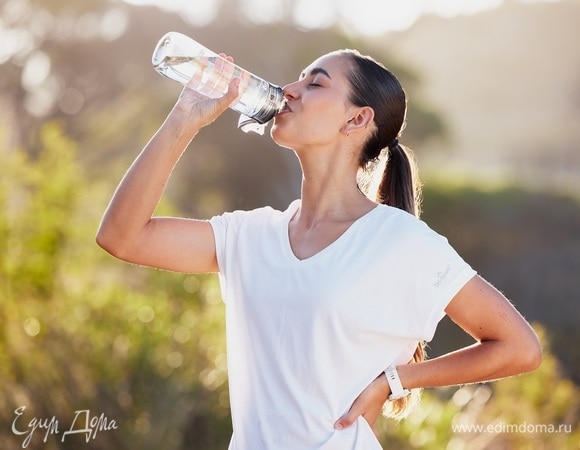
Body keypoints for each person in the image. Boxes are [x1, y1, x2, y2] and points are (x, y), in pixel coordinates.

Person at [97, 48, 542, 449]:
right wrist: (183, 118)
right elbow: (122, 236)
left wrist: (396, 380)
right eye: (298, 79)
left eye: (315, 84)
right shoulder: (251, 235)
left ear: (356, 120)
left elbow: (519, 347)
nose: (289, 91)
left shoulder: (399, 241)